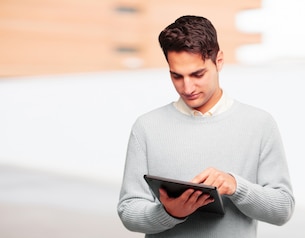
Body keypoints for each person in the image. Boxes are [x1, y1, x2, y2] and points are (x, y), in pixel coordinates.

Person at [117, 15, 295, 237]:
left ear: (219, 61)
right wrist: (170, 213)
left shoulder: (259, 124)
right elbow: (128, 211)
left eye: (197, 74)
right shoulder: (146, 127)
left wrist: (235, 186)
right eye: (176, 76)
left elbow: (283, 209)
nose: (187, 87)